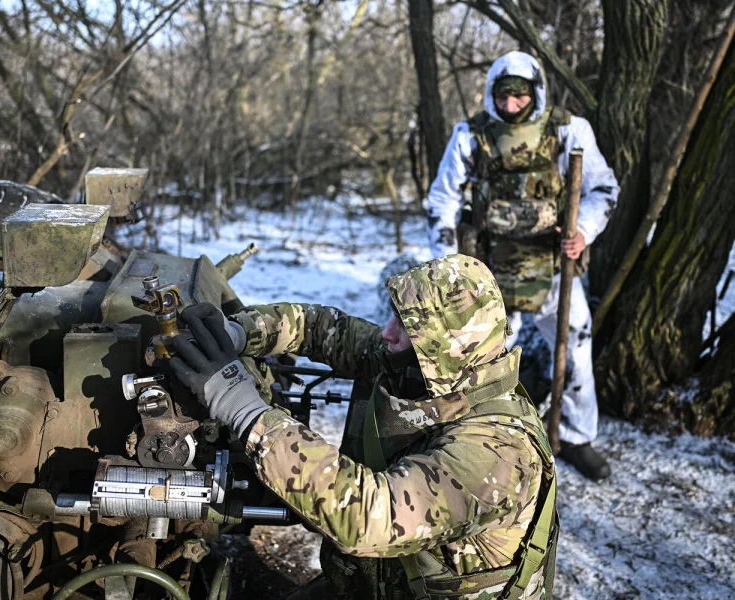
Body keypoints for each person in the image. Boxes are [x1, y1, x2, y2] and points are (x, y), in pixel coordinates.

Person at [169, 256, 558, 600]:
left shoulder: (497, 455)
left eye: (406, 328)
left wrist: (243, 408)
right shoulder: (430, 371)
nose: (388, 334)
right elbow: (321, 328)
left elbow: (367, 516)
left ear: (447, 349)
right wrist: (240, 332)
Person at [426, 51, 619, 481]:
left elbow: (603, 189)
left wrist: (583, 230)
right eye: (503, 94)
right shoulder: (470, 135)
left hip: (552, 266)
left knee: (576, 344)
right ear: (492, 92)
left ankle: (575, 436)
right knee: (482, 355)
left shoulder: (570, 131)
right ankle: (478, 436)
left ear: (536, 92)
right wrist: (447, 258)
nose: (511, 104)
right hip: (490, 266)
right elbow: (443, 198)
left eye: (520, 95)